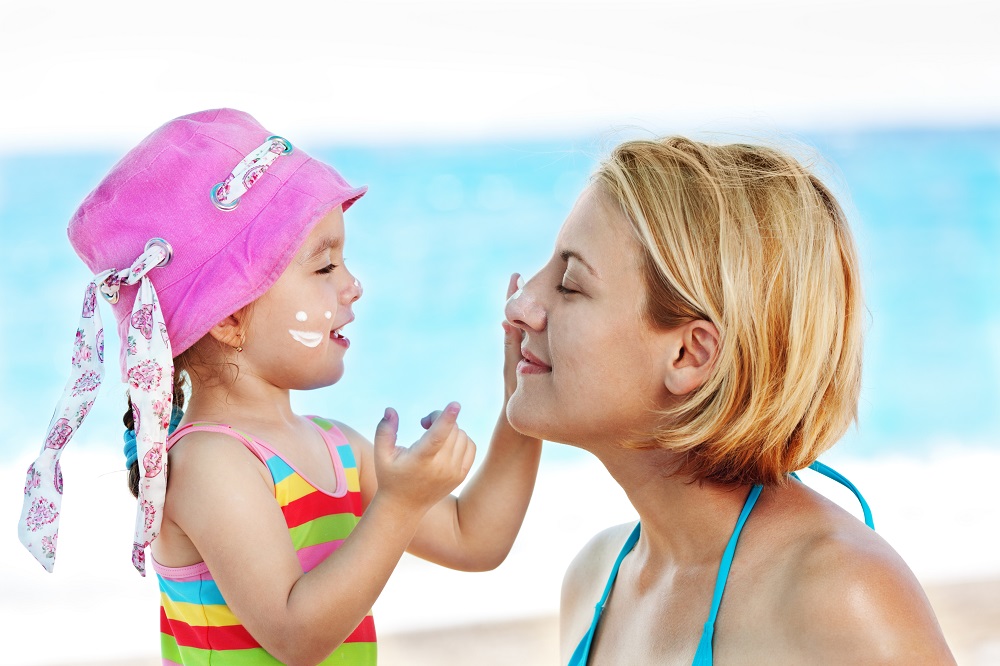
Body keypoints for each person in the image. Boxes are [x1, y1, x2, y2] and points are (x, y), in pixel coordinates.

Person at [18, 108, 542, 666]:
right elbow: (296, 635)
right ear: (229, 318)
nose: (353, 285)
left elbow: (475, 538)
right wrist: (398, 504)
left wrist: (522, 401)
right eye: (324, 268)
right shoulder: (209, 462)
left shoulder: (339, 450)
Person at [503, 137, 955, 664]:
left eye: (571, 284)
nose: (520, 304)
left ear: (689, 355)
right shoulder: (595, 578)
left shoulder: (840, 594)